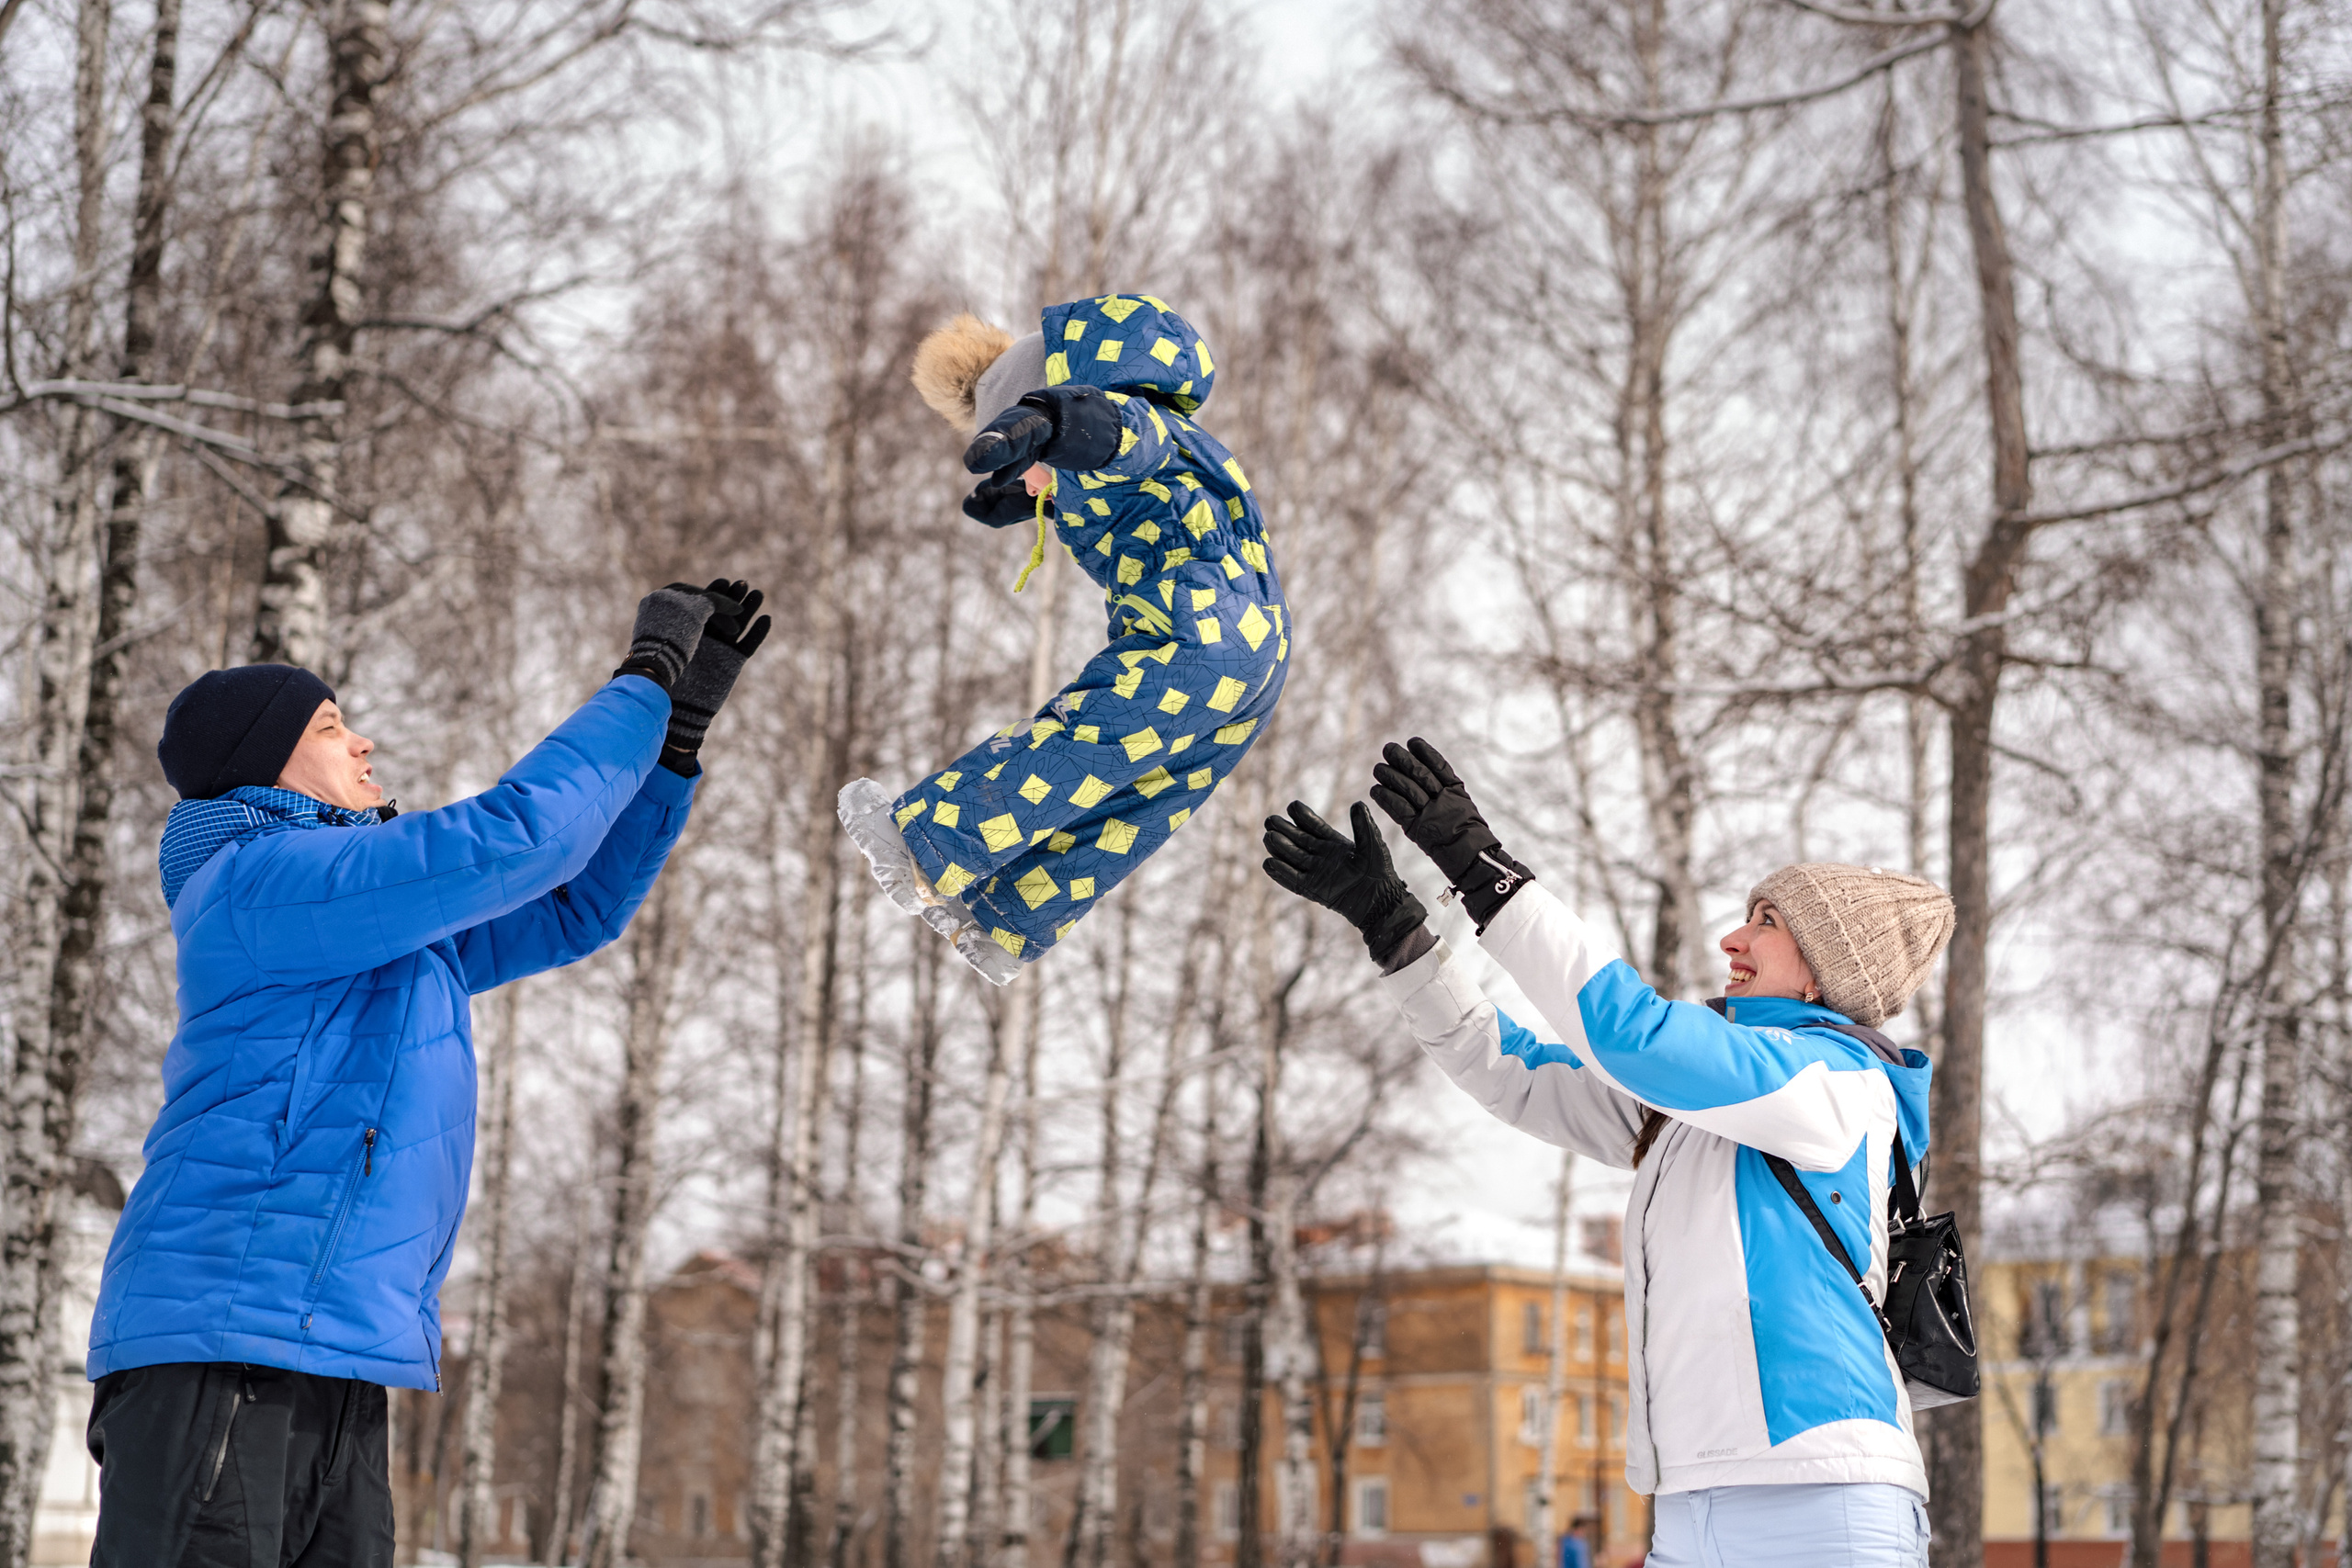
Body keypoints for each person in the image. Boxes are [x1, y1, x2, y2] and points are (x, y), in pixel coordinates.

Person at [84, 580, 769, 1567]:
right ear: (262, 764)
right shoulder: (260, 881)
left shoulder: (375, 928)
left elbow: (573, 906)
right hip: (224, 1338)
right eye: (329, 727)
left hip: (330, 1348)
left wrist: (672, 742)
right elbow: (516, 839)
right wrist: (640, 684)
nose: (361, 744)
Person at [1261, 739, 1956, 1568]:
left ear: (1825, 973)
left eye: (1770, 922)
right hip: (1688, 1501)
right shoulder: (1703, 1108)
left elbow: (1631, 1031)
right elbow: (1508, 1069)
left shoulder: (1837, 1083)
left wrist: (1485, 870)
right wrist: (1397, 928)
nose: (1735, 936)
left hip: (1822, 1498)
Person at [840, 294, 1288, 983]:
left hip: (1194, 631)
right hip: (1255, 654)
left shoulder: (1129, 425)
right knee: (1143, 797)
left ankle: (923, 843)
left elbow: (1120, 434)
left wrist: (1055, 421)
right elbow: (1114, 478)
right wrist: (1031, 491)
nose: (1027, 476)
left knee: (1087, 737)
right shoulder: (1125, 464)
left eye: (1025, 450)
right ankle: (1008, 918)